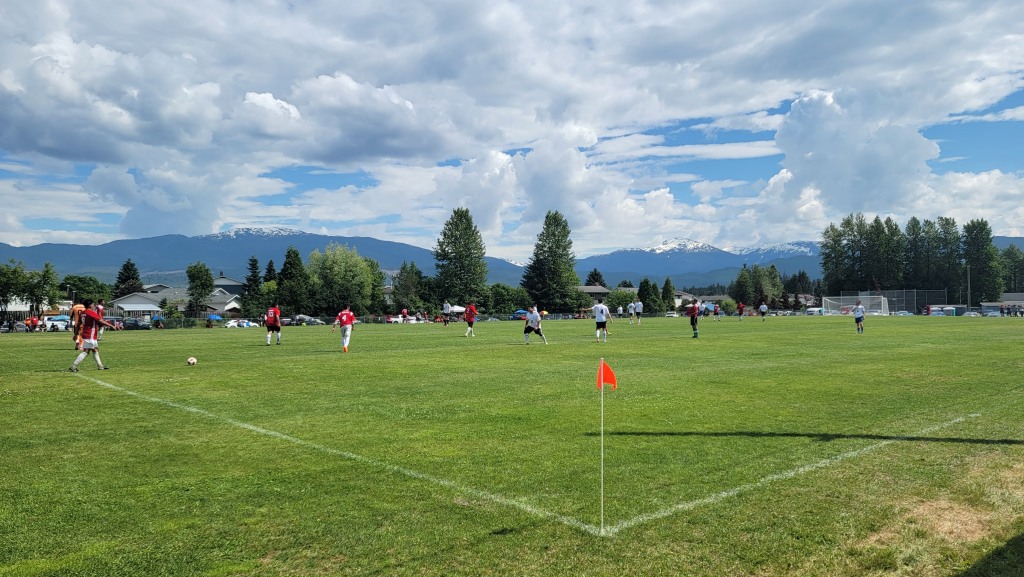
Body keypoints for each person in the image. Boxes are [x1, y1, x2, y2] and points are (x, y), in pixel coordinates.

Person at [68, 299, 116, 372]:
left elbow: (78, 324)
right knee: (86, 351)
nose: (94, 306)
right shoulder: (91, 312)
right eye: (93, 304)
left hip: (88, 334)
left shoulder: (83, 313)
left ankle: (100, 366)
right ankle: (73, 366)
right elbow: (101, 320)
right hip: (90, 334)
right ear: (90, 305)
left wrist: (76, 334)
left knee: (95, 349)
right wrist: (111, 325)